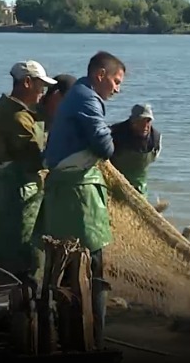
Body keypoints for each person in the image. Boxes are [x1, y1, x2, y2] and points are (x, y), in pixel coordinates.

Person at [42, 51, 126, 349]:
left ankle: (68, 335)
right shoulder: (88, 98)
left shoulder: (78, 94)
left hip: (65, 191)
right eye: (116, 81)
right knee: (92, 265)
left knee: (66, 265)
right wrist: (113, 138)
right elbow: (104, 146)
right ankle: (92, 340)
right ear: (100, 75)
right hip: (77, 194)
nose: (118, 89)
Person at [0, 60, 56, 284]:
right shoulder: (19, 118)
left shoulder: (2, 108)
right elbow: (36, 160)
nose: (42, 92)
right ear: (27, 82)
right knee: (15, 251)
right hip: (9, 193)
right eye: (40, 86)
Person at [109, 104, 162, 197]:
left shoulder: (155, 138)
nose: (145, 126)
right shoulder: (115, 133)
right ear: (132, 121)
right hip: (113, 186)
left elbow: (154, 158)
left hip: (140, 189)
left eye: (148, 121)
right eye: (140, 121)